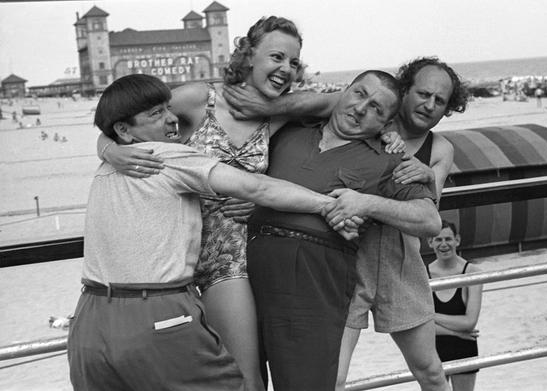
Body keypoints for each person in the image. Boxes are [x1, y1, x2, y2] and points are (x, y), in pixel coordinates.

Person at [96, 17, 401, 391]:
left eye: (293, 62)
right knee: (240, 379)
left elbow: (349, 102)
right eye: (276, 56)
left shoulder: (281, 114)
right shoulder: (199, 99)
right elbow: (122, 121)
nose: (285, 68)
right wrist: (110, 150)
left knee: (251, 377)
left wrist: (390, 133)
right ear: (248, 53)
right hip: (196, 258)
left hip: (249, 256)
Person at [68, 73, 357, 391]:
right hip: (154, 312)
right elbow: (258, 187)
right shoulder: (167, 156)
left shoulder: (106, 170)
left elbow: (109, 137)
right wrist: (327, 205)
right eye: (155, 114)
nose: (170, 119)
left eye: (168, 108)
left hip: (87, 325)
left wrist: (107, 147)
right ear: (124, 130)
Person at [223, 57, 469, 391]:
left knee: (427, 367)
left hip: (389, 259)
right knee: (304, 376)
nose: (429, 105)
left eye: (439, 101)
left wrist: (366, 201)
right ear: (406, 91)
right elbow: (301, 112)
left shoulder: (412, 151)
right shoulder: (315, 125)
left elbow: (429, 215)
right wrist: (260, 200)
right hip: (315, 262)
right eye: (423, 94)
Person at [427, 220, 483, 391]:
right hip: (431, 348)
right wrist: (455, 332)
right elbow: (420, 326)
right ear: (430, 242)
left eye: (448, 239)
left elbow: (469, 323)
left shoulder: (472, 273)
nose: (443, 244)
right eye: (438, 240)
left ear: (457, 240)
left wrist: (432, 316)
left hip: (463, 349)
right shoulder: (423, 275)